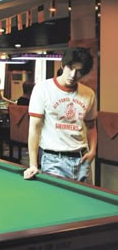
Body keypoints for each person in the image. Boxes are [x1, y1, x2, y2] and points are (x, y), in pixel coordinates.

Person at [24, 47, 97, 182]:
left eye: (79, 71)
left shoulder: (89, 94)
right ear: (63, 65)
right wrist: (33, 164)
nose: (73, 75)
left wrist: (92, 151)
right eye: (70, 68)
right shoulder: (43, 89)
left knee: (83, 203)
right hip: (53, 160)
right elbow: (34, 129)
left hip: (82, 159)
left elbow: (91, 126)